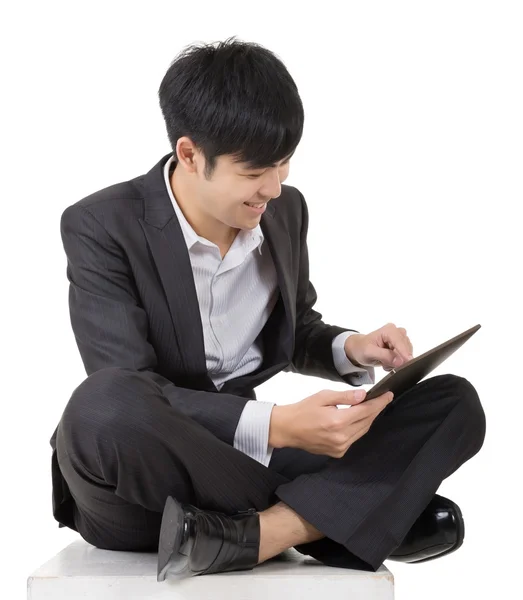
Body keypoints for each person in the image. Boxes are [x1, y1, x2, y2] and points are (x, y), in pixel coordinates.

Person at [50, 37, 486, 581]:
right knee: (99, 405)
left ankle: (264, 532)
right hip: (149, 470)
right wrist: (278, 426)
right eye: (256, 171)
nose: (274, 188)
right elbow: (132, 384)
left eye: (284, 165)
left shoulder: (285, 211)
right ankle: (334, 514)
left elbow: (295, 327)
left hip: (246, 469)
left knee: (454, 403)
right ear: (190, 154)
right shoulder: (101, 226)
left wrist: (351, 347)